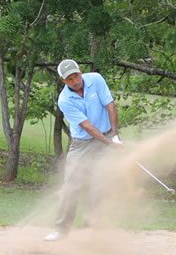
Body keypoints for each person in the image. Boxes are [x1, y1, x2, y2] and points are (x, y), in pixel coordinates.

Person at [44, 59, 122, 241]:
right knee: (71, 185)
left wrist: (115, 135)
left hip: (107, 136)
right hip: (82, 144)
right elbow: (87, 126)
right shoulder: (64, 100)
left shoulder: (96, 79)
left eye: (76, 75)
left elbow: (110, 106)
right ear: (64, 81)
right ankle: (61, 229)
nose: (75, 81)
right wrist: (110, 143)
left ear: (80, 71)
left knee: (100, 183)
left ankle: (93, 227)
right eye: (69, 79)